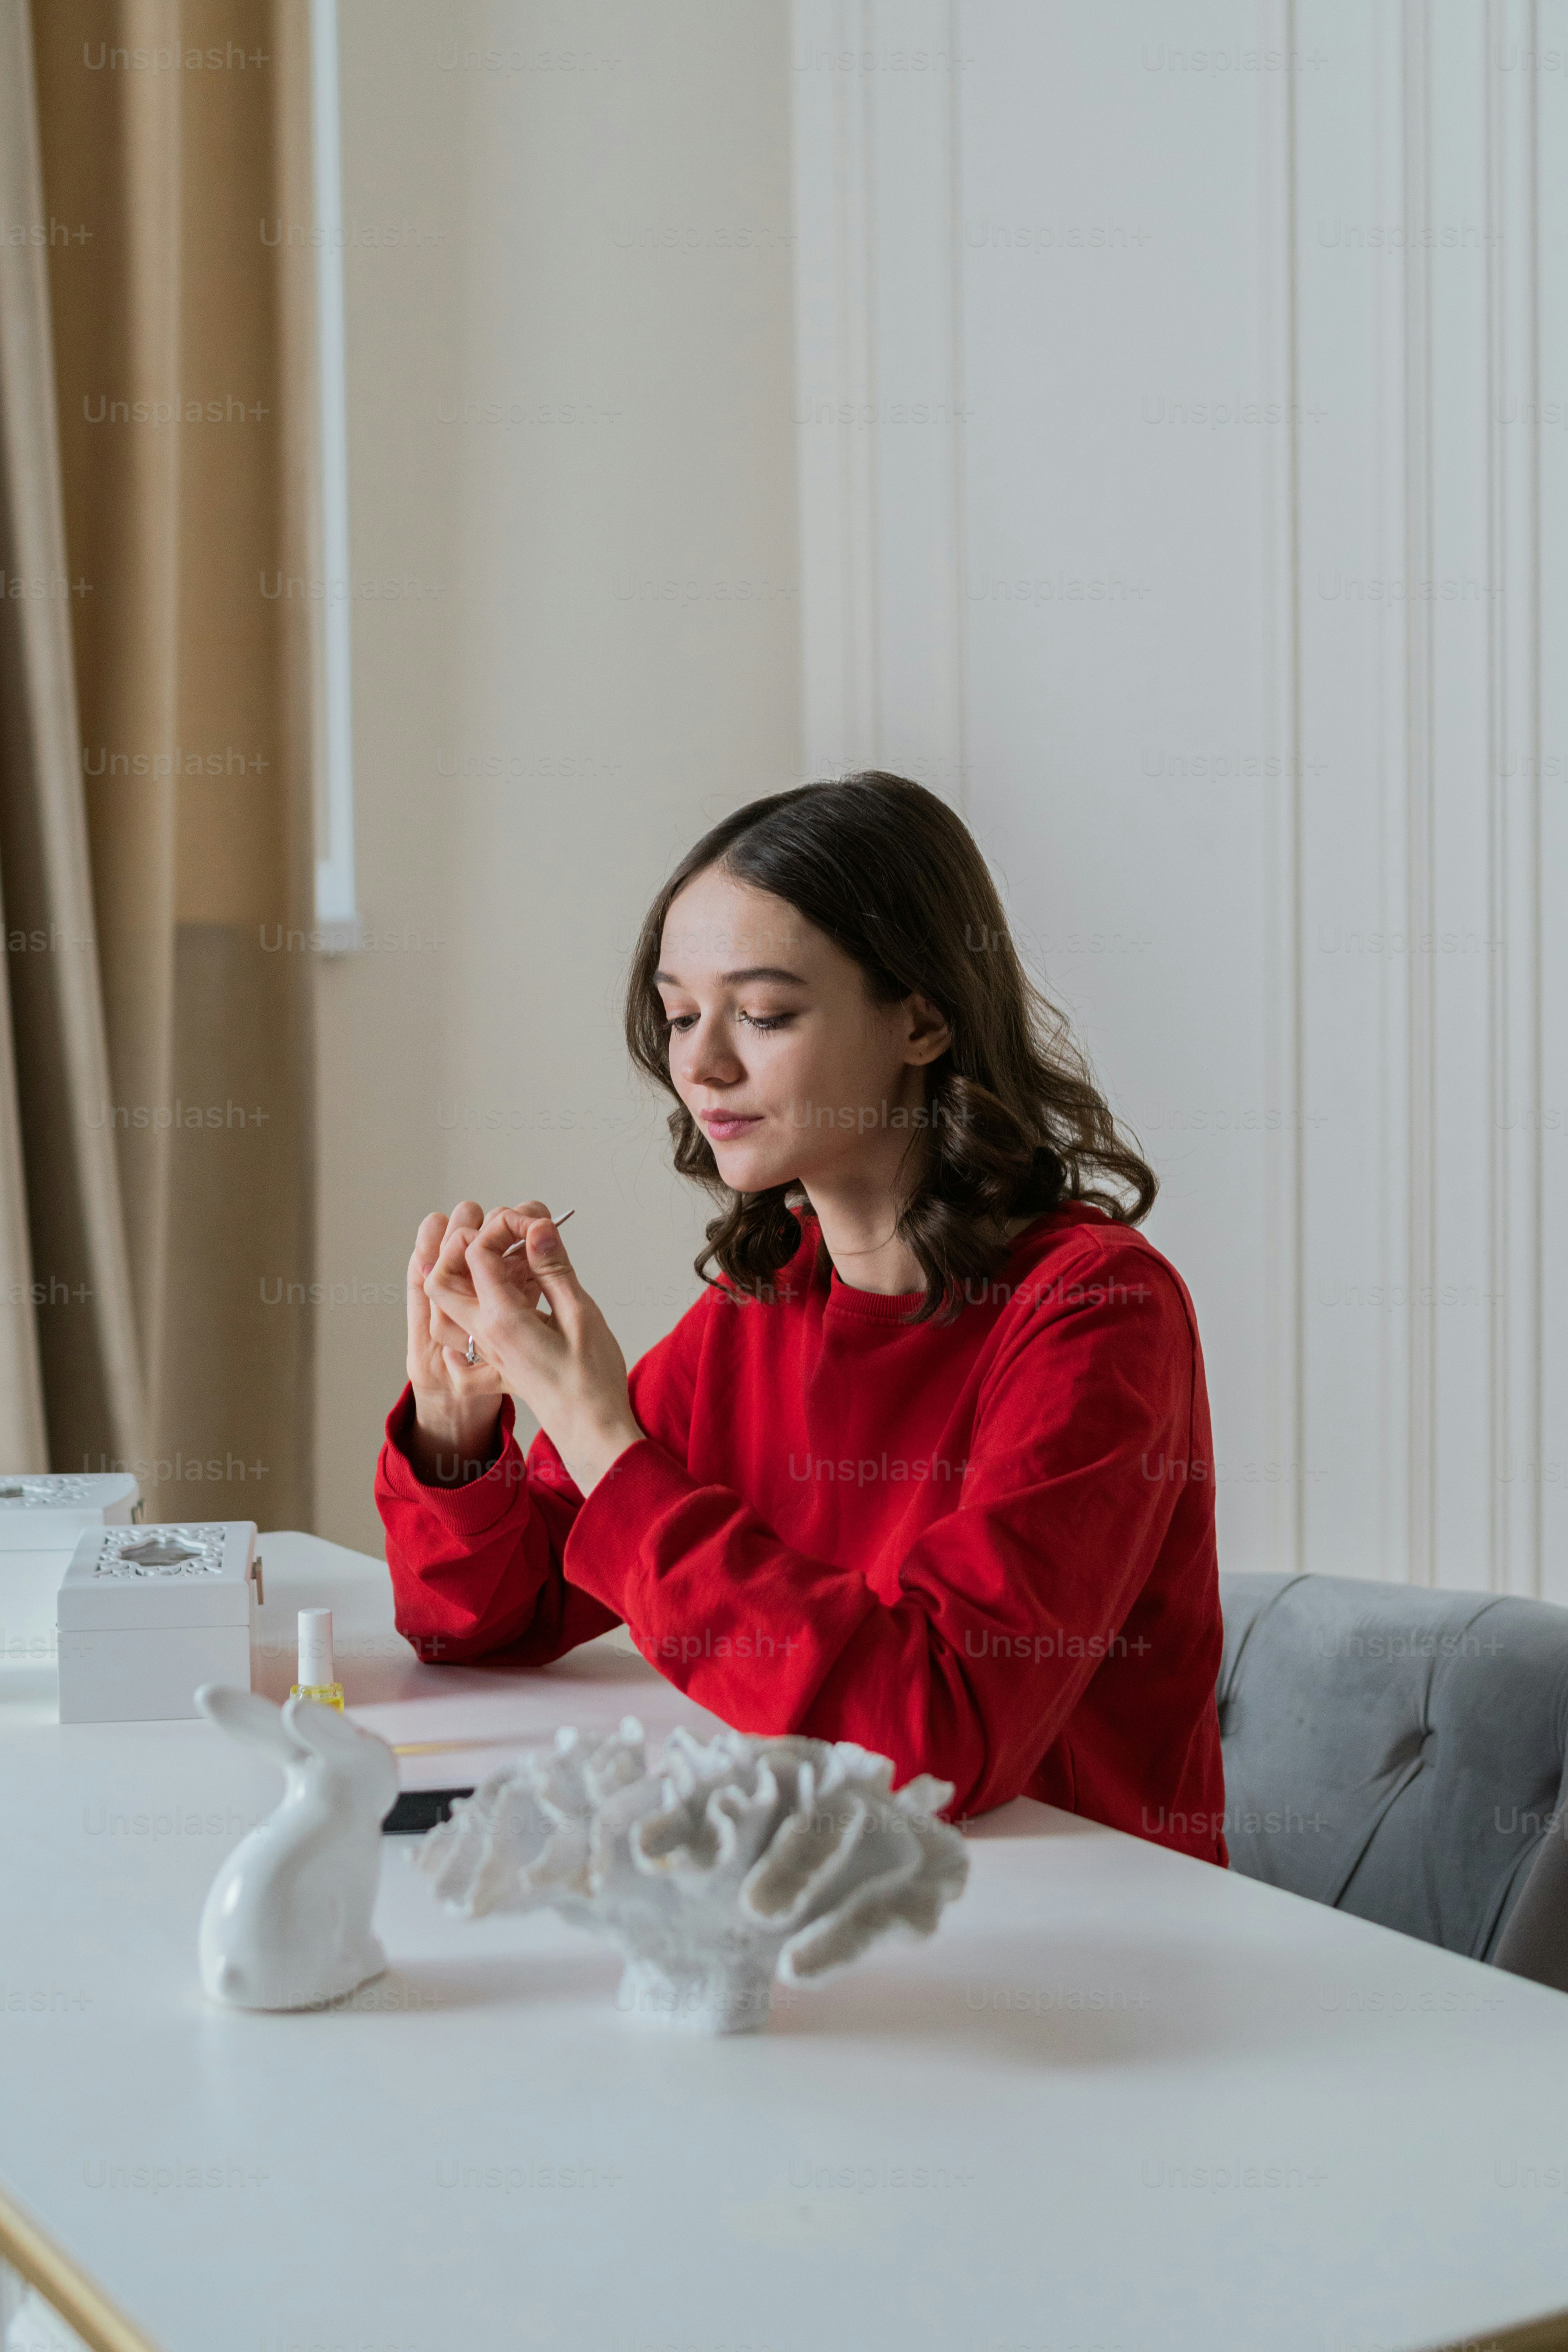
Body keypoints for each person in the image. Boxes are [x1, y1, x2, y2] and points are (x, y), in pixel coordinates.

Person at [376, 773, 1227, 1858]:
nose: (701, 1064)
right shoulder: (764, 1301)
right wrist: (456, 1429)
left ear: (923, 1017)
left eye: (764, 1014)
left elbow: (934, 1743)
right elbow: (486, 1620)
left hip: (1070, 1910)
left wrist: (595, 1431)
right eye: (681, 1017)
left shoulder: (1096, 1311)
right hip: (817, 1884)